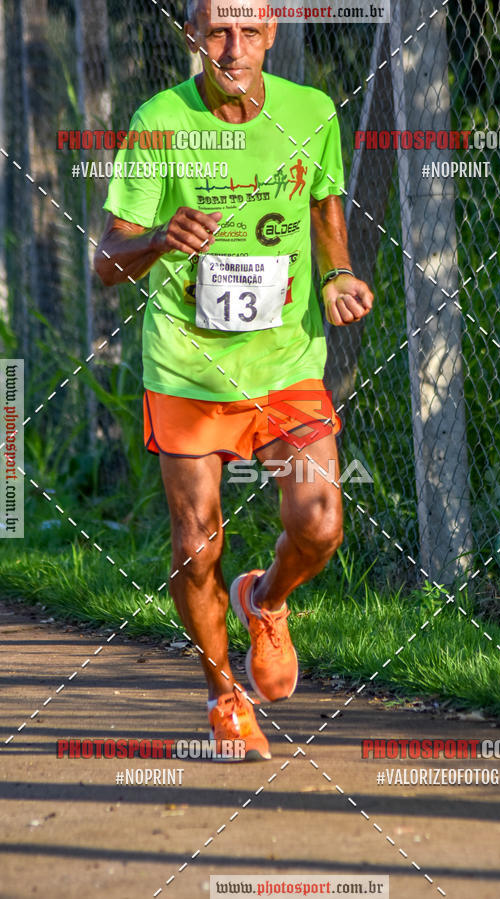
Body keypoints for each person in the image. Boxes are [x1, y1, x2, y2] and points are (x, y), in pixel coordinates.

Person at [94, 0, 373, 761]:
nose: (234, 47)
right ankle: (222, 692)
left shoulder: (312, 111)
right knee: (196, 545)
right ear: (193, 36)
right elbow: (105, 261)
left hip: (285, 363)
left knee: (319, 523)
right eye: (218, 31)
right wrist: (159, 238)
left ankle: (267, 599)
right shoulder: (160, 122)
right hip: (187, 363)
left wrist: (338, 273)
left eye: (250, 31)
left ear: (272, 34)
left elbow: (323, 207)